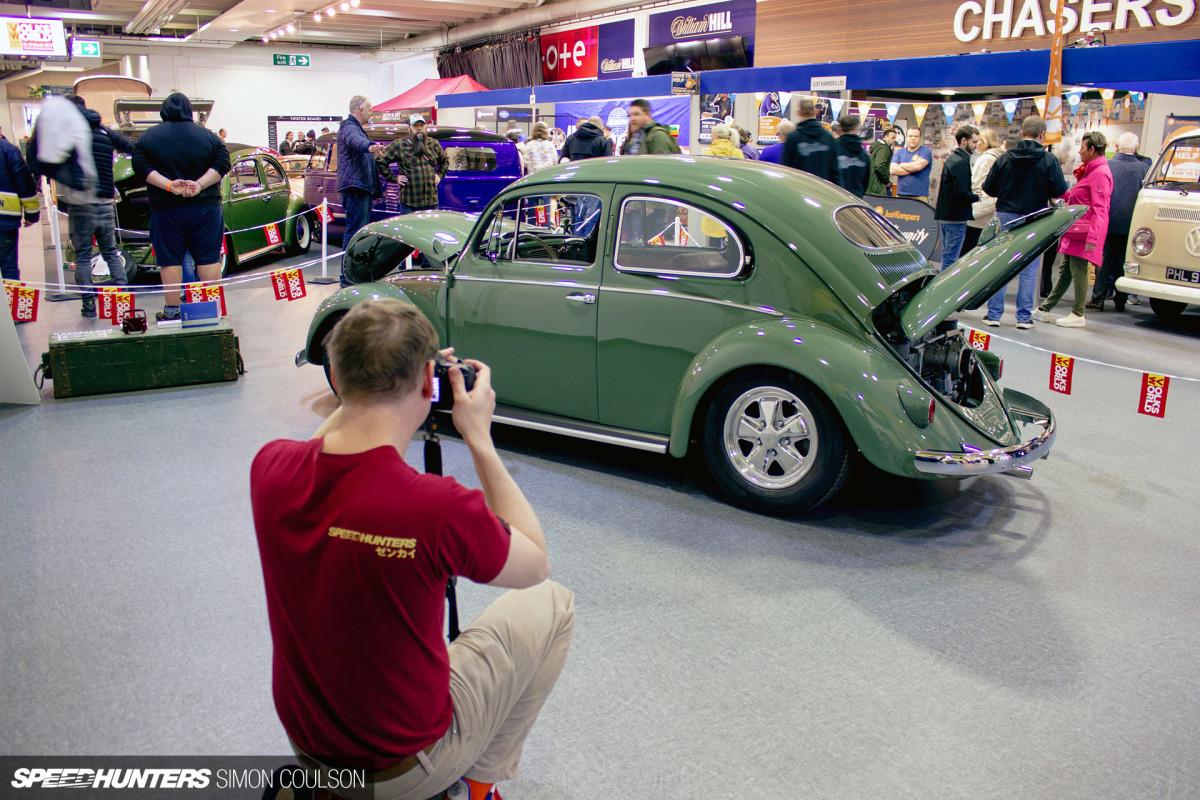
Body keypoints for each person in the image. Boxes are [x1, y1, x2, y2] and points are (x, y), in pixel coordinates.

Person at [250, 298, 574, 800]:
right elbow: (534, 563)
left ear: (335, 374)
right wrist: (478, 436)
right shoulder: (437, 507)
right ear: (429, 382)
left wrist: (368, 377)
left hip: (310, 750)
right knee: (553, 602)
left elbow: (322, 445)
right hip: (401, 770)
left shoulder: (269, 469)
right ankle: (478, 787)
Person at [131, 92, 231, 321]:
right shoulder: (210, 136)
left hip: (166, 208)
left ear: (163, 111)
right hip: (206, 207)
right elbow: (223, 162)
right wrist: (199, 184)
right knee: (209, 259)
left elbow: (140, 166)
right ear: (190, 111)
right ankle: (210, 308)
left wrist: (168, 185)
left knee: (170, 260)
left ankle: (172, 311)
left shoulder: (147, 137)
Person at [980, 115, 1068, 329]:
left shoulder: (1005, 158)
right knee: (1030, 268)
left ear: (1021, 133)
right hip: (1035, 217)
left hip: (1006, 215)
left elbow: (989, 188)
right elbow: (1060, 190)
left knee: (1001, 265)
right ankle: (1023, 317)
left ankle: (994, 315)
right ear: (1042, 135)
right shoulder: (1049, 160)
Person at [64, 93, 135, 316]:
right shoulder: (104, 130)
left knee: (84, 255)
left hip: (80, 203)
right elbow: (131, 148)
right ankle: (122, 299)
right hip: (105, 202)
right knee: (111, 252)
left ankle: (88, 305)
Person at [1033, 131, 1113, 329]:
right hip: (1077, 229)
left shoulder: (1100, 173)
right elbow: (1080, 198)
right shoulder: (1091, 171)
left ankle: (1078, 313)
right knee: (1066, 270)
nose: (1080, 151)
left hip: (1083, 231)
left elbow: (1101, 208)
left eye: (1083, 148)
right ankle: (1045, 309)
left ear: (1092, 150)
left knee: (1078, 270)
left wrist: (1093, 236)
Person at [1087, 132, 1149, 312]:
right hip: (1130, 224)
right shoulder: (1144, 169)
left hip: (1107, 221)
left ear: (1116, 146)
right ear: (1136, 148)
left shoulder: (1107, 165)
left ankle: (1098, 298)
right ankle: (1120, 300)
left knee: (1103, 260)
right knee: (1123, 261)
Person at [336, 96, 386, 285]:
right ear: (360, 110)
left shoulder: (356, 128)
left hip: (360, 188)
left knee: (358, 233)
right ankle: (347, 277)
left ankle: (353, 274)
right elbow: (355, 141)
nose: (372, 113)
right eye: (370, 109)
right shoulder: (349, 127)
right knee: (355, 233)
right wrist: (370, 146)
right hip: (356, 188)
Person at [377, 113, 447, 217]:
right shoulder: (399, 145)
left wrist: (439, 175)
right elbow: (380, 160)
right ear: (409, 127)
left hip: (431, 202)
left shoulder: (433, 144)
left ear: (425, 127)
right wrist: (394, 178)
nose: (419, 128)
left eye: (422, 125)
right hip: (409, 204)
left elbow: (445, 161)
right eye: (415, 125)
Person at [933, 124, 981, 272]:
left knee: (947, 255)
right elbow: (960, 194)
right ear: (964, 140)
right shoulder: (961, 162)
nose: (976, 146)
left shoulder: (953, 159)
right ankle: (945, 289)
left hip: (948, 216)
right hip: (955, 217)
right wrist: (975, 197)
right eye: (974, 142)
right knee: (951, 258)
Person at [0, 128, 39, 282]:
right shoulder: (8, 150)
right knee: (8, 266)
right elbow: (25, 185)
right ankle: (9, 303)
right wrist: (32, 215)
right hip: (5, 220)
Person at [962, 127, 1003, 253]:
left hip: (978, 212)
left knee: (968, 251)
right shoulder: (1000, 158)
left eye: (978, 140)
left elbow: (975, 184)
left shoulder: (984, 159)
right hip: (991, 210)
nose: (976, 143)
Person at [781, 97, 838, 184]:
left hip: (800, 191)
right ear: (815, 111)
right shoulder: (828, 137)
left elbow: (787, 171)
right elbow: (835, 172)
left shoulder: (793, 138)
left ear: (799, 112)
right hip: (823, 192)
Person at [833, 115, 871, 198]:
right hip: (855, 201)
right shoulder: (863, 155)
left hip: (836, 199)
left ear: (840, 129)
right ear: (856, 129)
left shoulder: (833, 148)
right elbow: (866, 181)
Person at [890, 128, 932, 201]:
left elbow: (918, 166)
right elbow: (893, 170)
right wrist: (913, 168)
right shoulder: (899, 152)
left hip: (920, 197)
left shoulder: (925, 151)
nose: (913, 138)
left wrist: (902, 165)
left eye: (916, 136)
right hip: (900, 195)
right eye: (910, 136)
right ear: (906, 137)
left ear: (919, 138)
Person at [866, 127, 898, 198]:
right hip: (878, 186)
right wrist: (886, 181)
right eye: (893, 138)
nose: (895, 140)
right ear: (886, 137)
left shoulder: (877, 147)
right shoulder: (884, 149)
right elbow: (880, 166)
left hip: (872, 185)